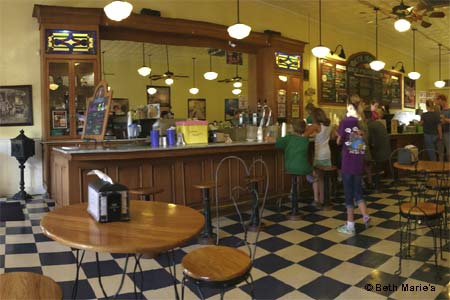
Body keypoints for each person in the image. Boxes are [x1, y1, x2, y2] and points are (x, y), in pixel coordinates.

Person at [336, 95, 370, 235]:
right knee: (358, 191)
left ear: (349, 107)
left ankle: (350, 225)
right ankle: (365, 215)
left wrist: (337, 134)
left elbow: (339, 141)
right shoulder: (362, 123)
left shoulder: (346, 121)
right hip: (358, 161)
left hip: (348, 162)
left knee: (348, 194)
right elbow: (359, 143)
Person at [304, 108, 331, 207]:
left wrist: (307, 128)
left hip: (319, 155)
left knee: (316, 177)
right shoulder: (328, 125)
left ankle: (316, 200)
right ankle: (324, 199)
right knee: (323, 178)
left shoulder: (315, 126)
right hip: (327, 154)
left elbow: (304, 135)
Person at [363, 109, 391, 190]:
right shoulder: (378, 123)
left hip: (379, 154)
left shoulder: (369, 126)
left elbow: (370, 141)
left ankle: (368, 182)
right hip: (387, 152)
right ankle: (368, 181)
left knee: (362, 156)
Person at [437, 94, 450, 161]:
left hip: (448, 133)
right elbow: (439, 123)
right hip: (441, 133)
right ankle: (440, 169)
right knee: (440, 153)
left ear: (443, 100)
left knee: (449, 153)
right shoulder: (440, 111)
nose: (438, 103)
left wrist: (444, 119)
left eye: (439, 101)